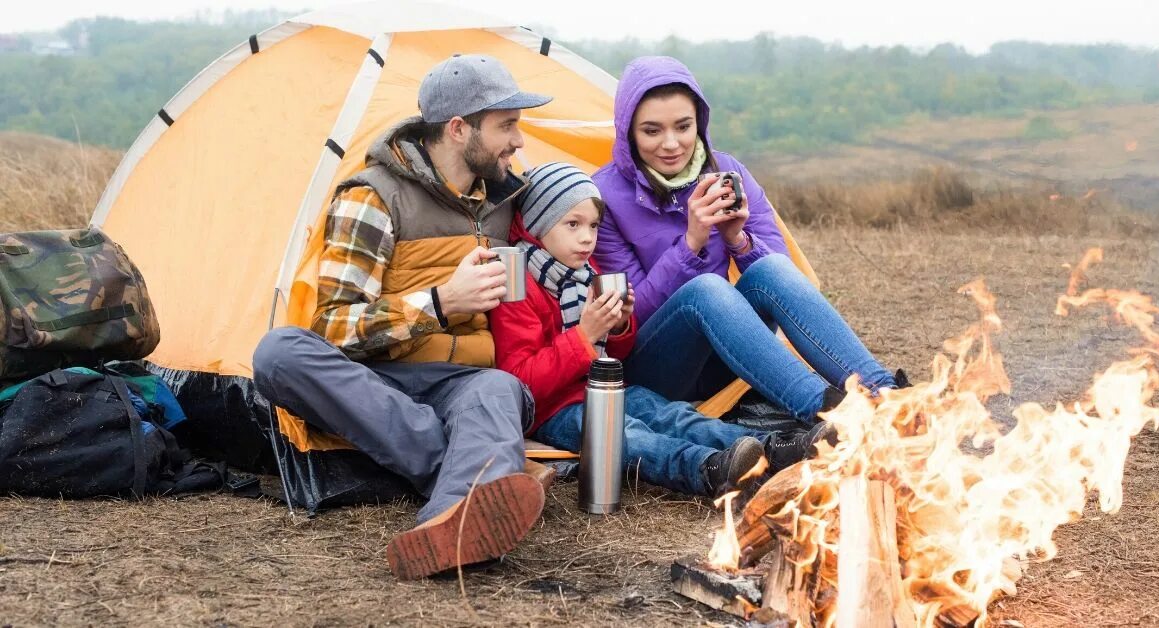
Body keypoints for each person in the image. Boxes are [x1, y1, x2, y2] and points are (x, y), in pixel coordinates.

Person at [252, 54, 552, 580]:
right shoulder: (374, 196)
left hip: (464, 384)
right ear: (459, 130)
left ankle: (447, 525)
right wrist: (439, 304)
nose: (518, 141)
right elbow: (334, 328)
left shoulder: (509, 200)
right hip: (378, 378)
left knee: (499, 391)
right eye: (506, 126)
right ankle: (480, 469)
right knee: (279, 353)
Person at [488, 163, 834, 499]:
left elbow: (617, 354)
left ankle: (775, 451)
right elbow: (520, 385)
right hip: (555, 410)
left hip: (609, 387)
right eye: (572, 224)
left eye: (593, 226)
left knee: (676, 417)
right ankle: (709, 469)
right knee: (633, 436)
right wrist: (584, 335)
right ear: (537, 224)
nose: (586, 238)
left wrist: (620, 324)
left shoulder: (585, 272)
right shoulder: (519, 287)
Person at [591, 56, 905, 425]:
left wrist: (738, 240)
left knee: (769, 266)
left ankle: (888, 398)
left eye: (683, 126)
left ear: (700, 124)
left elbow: (783, 281)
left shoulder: (728, 173)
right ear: (628, 131)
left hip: (731, 354)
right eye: (652, 131)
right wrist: (690, 244)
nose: (671, 144)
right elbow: (630, 319)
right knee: (706, 288)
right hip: (657, 367)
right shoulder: (603, 195)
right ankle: (828, 413)